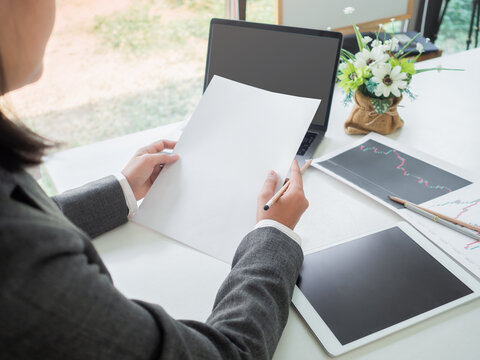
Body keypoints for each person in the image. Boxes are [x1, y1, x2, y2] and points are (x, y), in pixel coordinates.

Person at [0, 1, 309, 359]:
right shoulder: (21, 267)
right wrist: (274, 236)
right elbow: (228, 354)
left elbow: (28, 214)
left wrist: (121, 190)